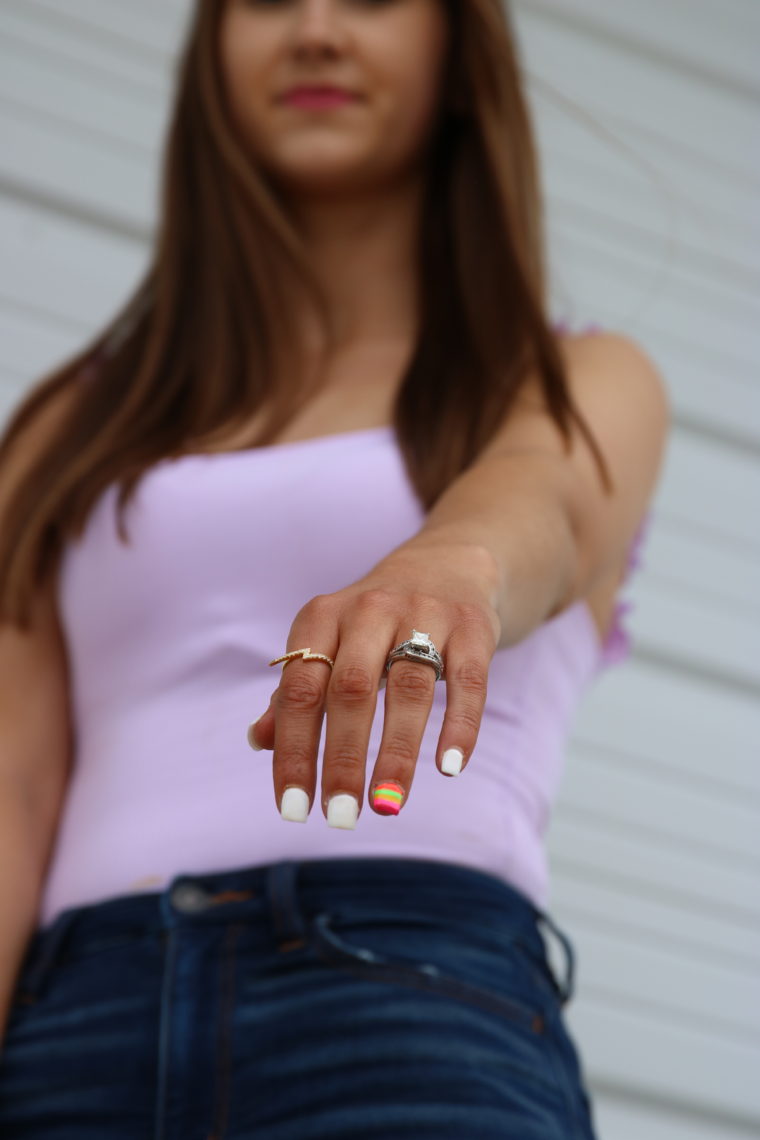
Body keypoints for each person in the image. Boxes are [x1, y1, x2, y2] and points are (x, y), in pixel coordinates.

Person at [0, 0, 669, 1136]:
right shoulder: (75, 422)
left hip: (402, 994)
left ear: (461, 56)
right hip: (76, 1028)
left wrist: (452, 567)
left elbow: (543, 501)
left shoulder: (574, 375)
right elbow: (11, 796)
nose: (314, 31)